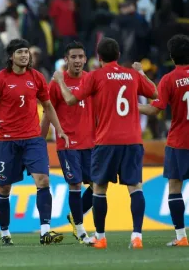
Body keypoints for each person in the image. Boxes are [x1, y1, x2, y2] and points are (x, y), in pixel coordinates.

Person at [56, 37, 158, 249]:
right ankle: (137, 236)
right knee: (135, 187)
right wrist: (140, 72)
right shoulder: (131, 75)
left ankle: (100, 237)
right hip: (132, 140)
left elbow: (70, 100)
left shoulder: (95, 76)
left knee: (99, 188)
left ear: (98, 57)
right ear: (119, 56)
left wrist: (59, 81)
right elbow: (155, 93)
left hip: (106, 141)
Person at [0, 38, 67, 246]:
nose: (25, 55)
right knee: (4, 189)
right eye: (20, 52)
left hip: (33, 139)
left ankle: (45, 231)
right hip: (6, 141)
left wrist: (59, 128)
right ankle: (5, 233)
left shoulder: (36, 77)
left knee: (43, 180)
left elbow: (48, 105)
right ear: (11, 56)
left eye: (26, 52)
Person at [40, 41, 94, 244]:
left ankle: (75, 215)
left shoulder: (91, 80)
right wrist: (40, 139)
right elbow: (47, 111)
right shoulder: (56, 84)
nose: (78, 60)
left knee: (98, 184)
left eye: (81, 56)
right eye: (74, 57)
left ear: (85, 59)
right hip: (68, 142)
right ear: (66, 59)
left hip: (90, 142)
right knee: (75, 184)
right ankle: (80, 231)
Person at [139, 34, 189, 247]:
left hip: (179, 142)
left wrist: (131, 107)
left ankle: (181, 237)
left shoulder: (169, 79)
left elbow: (153, 109)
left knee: (175, 187)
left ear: (171, 56)